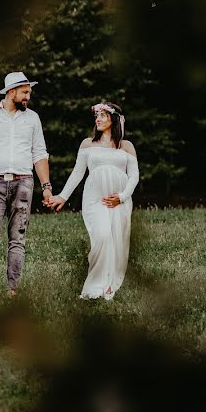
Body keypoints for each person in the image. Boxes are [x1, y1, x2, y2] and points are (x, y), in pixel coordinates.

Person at [0, 72, 51, 301]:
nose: (28, 97)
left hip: (23, 182)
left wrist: (46, 186)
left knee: (18, 238)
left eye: (29, 93)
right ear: (11, 91)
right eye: (25, 92)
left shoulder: (32, 118)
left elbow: (40, 154)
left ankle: (13, 290)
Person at [47, 102, 139, 300]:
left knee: (117, 240)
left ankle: (109, 284)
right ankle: (94, 286)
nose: (98, 119)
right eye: (97, 115)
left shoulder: (126, 146)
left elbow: (134, 176)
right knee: (102, 236)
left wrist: (122, 197)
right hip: (94, 199)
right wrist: (62, 196)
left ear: (114, 119)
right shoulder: (87, 144)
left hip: (119, 200)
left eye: (103, 115)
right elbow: (77, 174)